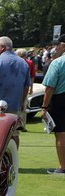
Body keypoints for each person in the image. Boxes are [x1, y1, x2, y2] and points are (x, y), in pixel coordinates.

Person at [41, 34, 65, 174]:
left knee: (61, 133)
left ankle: (63, 167)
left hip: (60, 99)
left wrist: (44, 106)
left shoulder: (57, 63)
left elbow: (50, 87)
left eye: (59, 44)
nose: (56, 46)